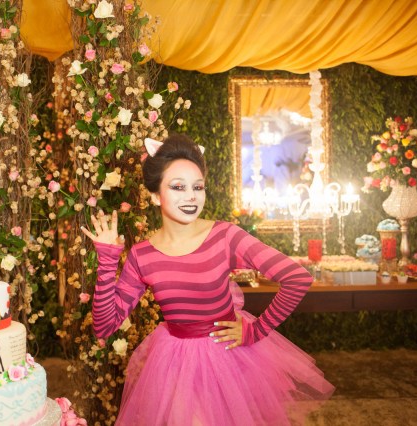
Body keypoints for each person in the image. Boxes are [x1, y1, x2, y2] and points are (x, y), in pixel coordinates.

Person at [81, 134, 334, 425]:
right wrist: (107, 260)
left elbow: (296, 278)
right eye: (178, 187)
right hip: (174, 366)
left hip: (229, 360)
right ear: (155, 196)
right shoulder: (142, 255)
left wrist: (256, 330)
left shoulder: (224, 236)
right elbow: (104, 326)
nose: (191, 196)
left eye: (197, 187)